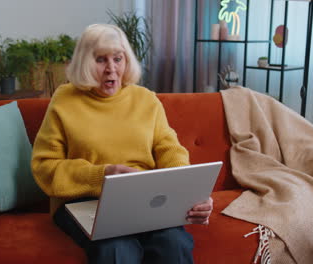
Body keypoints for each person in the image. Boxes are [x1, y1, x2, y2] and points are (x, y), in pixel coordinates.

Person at [31, 24, 213, 264]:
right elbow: (44, 167)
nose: (111, 69)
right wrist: (103, 175)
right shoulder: (64, 100)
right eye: (100, 60)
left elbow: (170, 150)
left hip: (143, 200)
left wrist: (188, 194)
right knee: (116, 248)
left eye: (118, 59)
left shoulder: (145, 99)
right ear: (84, 62)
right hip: (83, 202)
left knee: (173, 243)